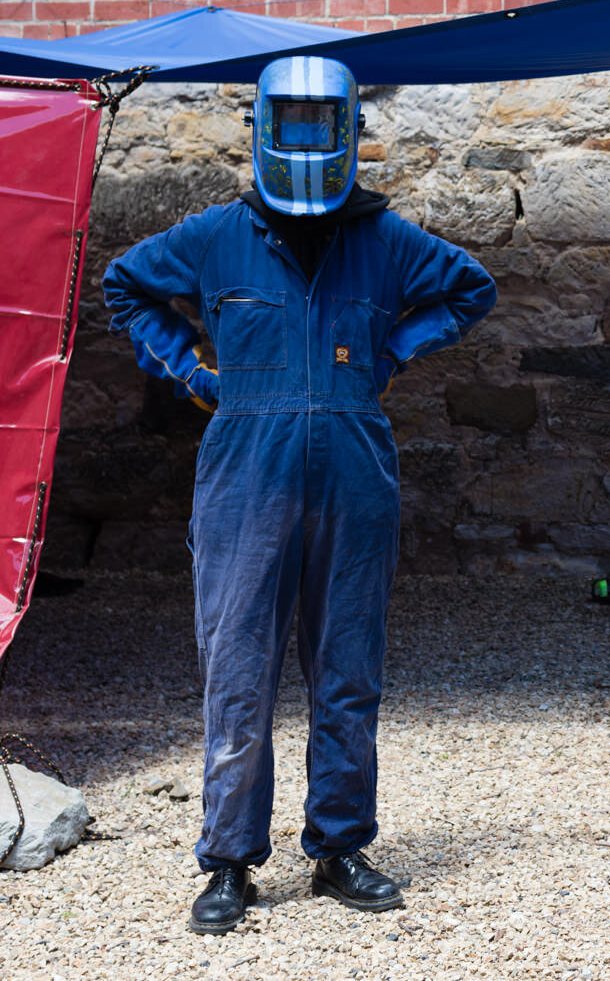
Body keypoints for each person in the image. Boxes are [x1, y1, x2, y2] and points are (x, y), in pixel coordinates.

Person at [103, 56, 497, 935]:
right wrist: (192, 370)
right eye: (295, 122)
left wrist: (393, 352)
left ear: (351, 130)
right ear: (263, 128)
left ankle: (340, 846)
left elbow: (474, 289)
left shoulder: (386, 239)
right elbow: (125, 285)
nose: (310, 138)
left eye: (326, 124)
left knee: (347, 664)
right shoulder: (216, 236)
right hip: (247, 460)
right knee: (239, 666)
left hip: (354, 465)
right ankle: (230, 860)